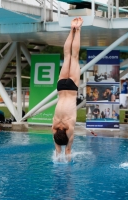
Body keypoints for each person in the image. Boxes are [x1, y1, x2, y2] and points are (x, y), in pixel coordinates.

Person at [52, 17, 83, 157]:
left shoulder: (69, 125)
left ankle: (78, 29)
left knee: (74, 56)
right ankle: (71, 29)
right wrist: (59, 147)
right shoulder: (54, 125)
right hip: (61, 87)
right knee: (67, 56)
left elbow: (67, 150)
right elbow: (58, 147)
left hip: (71, 89)